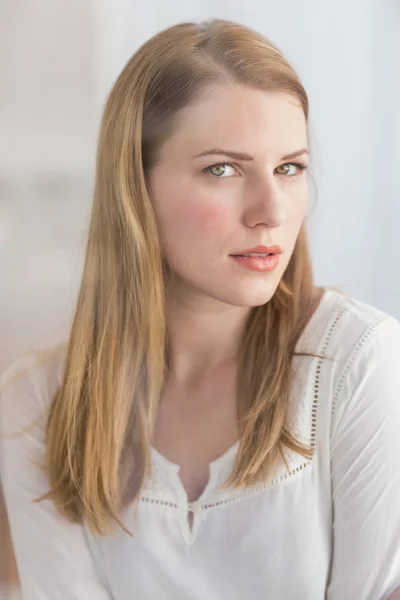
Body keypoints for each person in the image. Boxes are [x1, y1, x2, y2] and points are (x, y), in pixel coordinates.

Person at [1, 18, 400, 600]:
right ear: (134, 188)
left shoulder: (356, 362)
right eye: (223, 169)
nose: (271, 211)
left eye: (290, 167)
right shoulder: (39, 406)